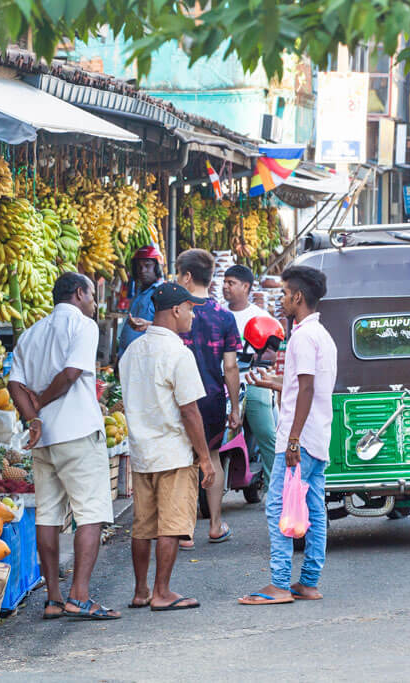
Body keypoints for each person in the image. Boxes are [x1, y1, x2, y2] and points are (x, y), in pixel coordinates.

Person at [7, 272, 119, 620]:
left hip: (45, 439)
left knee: (48, 515)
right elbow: (72, 374)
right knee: (91, 513)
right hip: (79, 431)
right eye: (91, 295)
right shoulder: (83, 326)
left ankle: (54, 598)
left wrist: (33, 418)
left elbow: (13, 384)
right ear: (79, 293)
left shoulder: (31, 333)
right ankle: (80, 596)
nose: (94, 302)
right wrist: (41, 400)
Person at [239, 265, 337, 606]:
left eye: (284, 293)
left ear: (297, 297)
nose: (281, 299)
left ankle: (280, 584)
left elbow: (307, 388)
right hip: (317, 437)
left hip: (300, 440)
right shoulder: (321, 335)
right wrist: (269, 382)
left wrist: (293, 439)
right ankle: (307, 581)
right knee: (313, 508)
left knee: (279, 507)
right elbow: (303, 386)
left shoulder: (303, 337)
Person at [120, 282, 217, 611]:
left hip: (142, 452)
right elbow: (190, 411)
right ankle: (162, 592)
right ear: (175, 310)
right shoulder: (178, 352)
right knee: (171, 525)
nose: (192, 315)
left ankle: (141, 590)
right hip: (173, 451)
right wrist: (205, 459)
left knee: (143, 525)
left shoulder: (132, 351)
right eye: (189, 309)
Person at [175, 249, 241, 547]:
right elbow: (230, 366)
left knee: (184, 462)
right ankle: (215, 525)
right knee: (212, 457)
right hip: (212, 398)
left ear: (187, 276)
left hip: (178, 398)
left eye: (178, 274)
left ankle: (184, 531)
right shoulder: (224, 316)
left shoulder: (174, 311)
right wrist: (235, 407)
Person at [222, 265, 278, 492]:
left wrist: (258, 356)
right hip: (222, 382)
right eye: (224, 282)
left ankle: (276, 489)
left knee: (267, 435)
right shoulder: (218, 313)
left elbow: (272, 354)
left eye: (231, 283)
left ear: (246, 286)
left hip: (253, 381)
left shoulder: (260, 316)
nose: (225, 286)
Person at [116, 245, 166, 359]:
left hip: (145, 359)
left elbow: (167, 329)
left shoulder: (162, 293)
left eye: (147, 266)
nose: (142, 271)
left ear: (157, 268)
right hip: (128, 357)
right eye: (139, 267)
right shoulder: (139, 292)